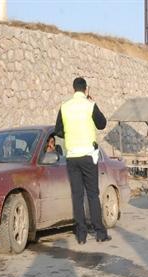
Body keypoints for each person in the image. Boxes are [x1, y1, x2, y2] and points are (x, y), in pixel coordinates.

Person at [55, 77, 111, 244]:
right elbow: (102, 124)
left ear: (73, 89)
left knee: (77, 196)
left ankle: (81, 235)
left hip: (72, 157)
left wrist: (70, 135)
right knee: (93, 194)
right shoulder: (89, 105)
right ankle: (100, 233)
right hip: (88, 155)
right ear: (86, 89)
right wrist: (93, 102)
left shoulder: (64, 107)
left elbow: (58, 130)